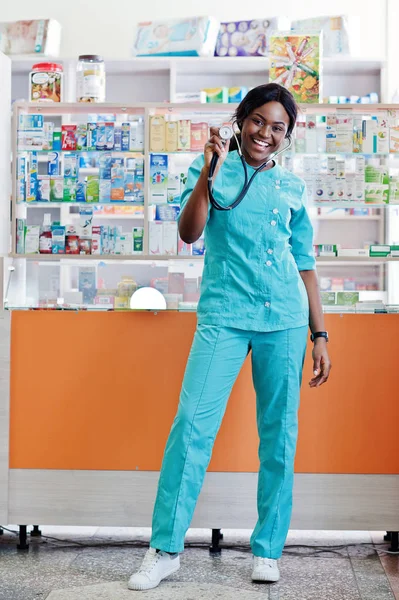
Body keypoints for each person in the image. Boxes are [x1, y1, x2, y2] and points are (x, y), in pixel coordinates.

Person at [128, 83, 332, 591]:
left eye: (278, 127)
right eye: (258, 120)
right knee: (191, 428)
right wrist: (207, 173)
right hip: (223, 315)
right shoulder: (215, 173)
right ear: (241, 120)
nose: (266, 132)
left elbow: (304, 266)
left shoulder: (291, 188)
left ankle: (267, 549)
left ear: (287, 135)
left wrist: (319, 333)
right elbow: (190, 232)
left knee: (279, 438)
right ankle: (165, 549)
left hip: (284, 319)